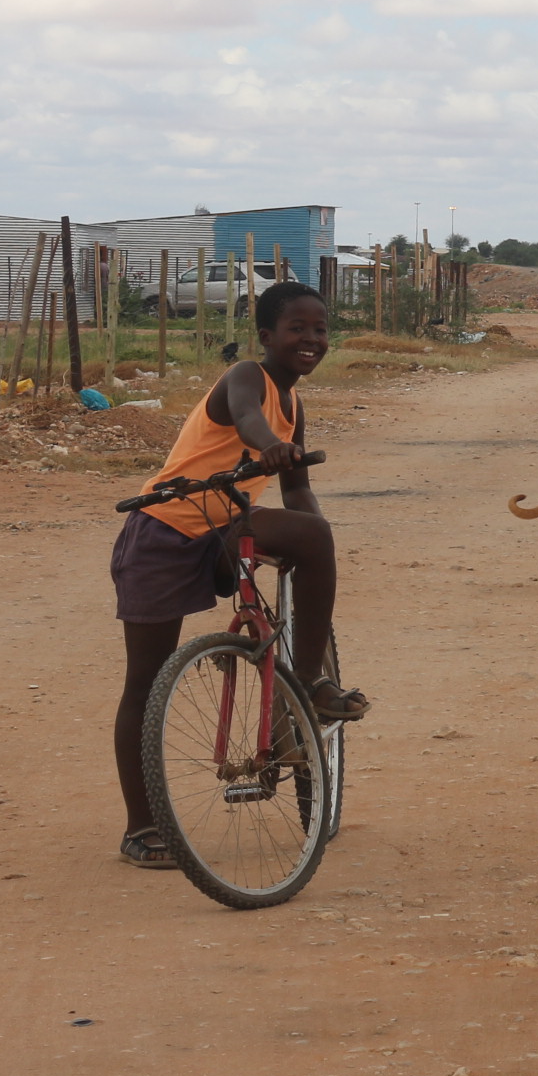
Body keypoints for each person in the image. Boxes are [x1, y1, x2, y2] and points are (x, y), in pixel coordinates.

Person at [107, 280, 370, 870]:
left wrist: (316, 547)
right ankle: (140, 827)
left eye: (320, 329)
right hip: (165, 529)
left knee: (313, 533)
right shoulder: (247, 378)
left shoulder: (296, 404)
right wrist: (271, 446)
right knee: (145, 683)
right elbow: (249, 420)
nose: (311, 340)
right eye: (297, 329)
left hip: (224, 528)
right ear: (267, 337)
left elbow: (299, 491)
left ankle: (306, 684)